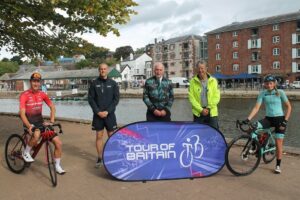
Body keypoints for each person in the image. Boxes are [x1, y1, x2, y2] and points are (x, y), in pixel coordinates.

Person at [242, 74, 292, 174]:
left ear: (274, 84)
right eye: (267, 84)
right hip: (268, 119)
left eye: (271, 83)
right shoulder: (263, 93)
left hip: (279, 120)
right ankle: (256, 147)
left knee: (279, 143)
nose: (269, 85)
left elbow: (289, 107)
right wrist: (248, 119)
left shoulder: (280, 92)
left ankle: (278, 165)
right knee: (253, 127)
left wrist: (285, 121)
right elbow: (256, 108)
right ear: (264, 84)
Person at [20, 72, 65, 174]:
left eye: (38, 82)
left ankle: (57, 166)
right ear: (30, 82)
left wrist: (51, 121)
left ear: (40, 83)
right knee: (36, 135)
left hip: (40, 122)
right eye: (34, 81)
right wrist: (28, 126)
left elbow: (52, 107)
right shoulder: (24, 95)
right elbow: (22, 114)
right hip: (29, 122)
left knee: (58, 143)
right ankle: (26, 152)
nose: (36, 83)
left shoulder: (42, 94)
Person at [88, 63, 119, 168]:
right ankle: (100, 158)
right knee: (99, 136)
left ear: (107, 70)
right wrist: (98, 112)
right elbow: (91, 99)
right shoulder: (94, 83)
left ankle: (113, 157)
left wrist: (107, 111)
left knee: (111, 136)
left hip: (109, 115)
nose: (103, 71)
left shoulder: (113, 83)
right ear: (99, 70)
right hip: (98, 115)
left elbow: (116, 100)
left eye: (104, 69)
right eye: (101, 69)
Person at [189, 60, 220, 129]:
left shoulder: (213, 81)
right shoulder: (192, 82)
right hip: (198, 113)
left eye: (202, 68)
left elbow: (216, 97)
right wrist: (201, 110)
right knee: (198, 134)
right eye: (199, 68)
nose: (200, 70)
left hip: (211, 112)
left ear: (206, 69)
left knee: (214, 133)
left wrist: (208, 108)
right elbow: (191, 98)